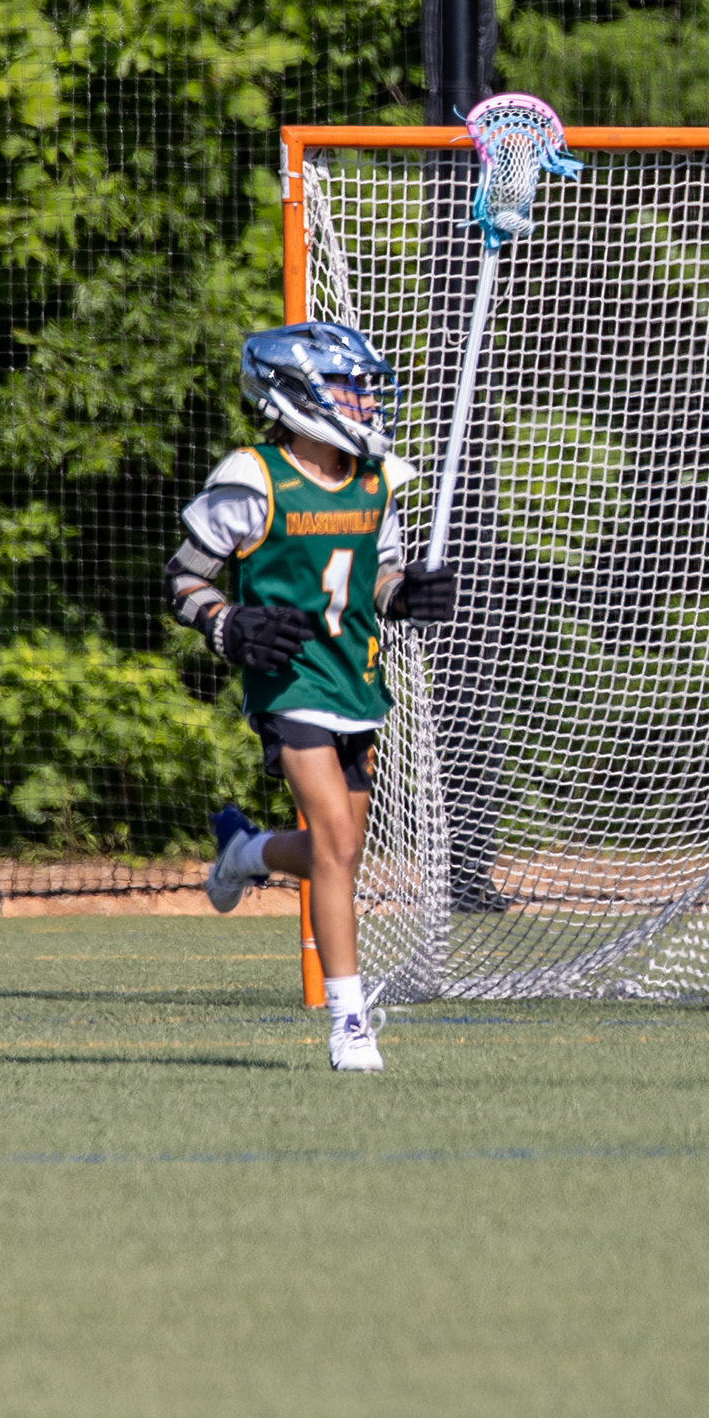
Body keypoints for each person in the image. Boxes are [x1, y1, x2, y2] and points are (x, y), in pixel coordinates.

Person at [169, 323, 455, 1075]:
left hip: (355, 676)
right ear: (294, 396)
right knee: (333, 837)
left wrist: (408, 595)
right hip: (289, 675)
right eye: (347, 387)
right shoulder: (254, 478)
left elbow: (379, 577)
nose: (363, 401)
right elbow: (183, 579)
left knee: (340, 853)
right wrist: (227, 624)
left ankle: (245, 852)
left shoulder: (376, 478)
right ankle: (349, 1024)